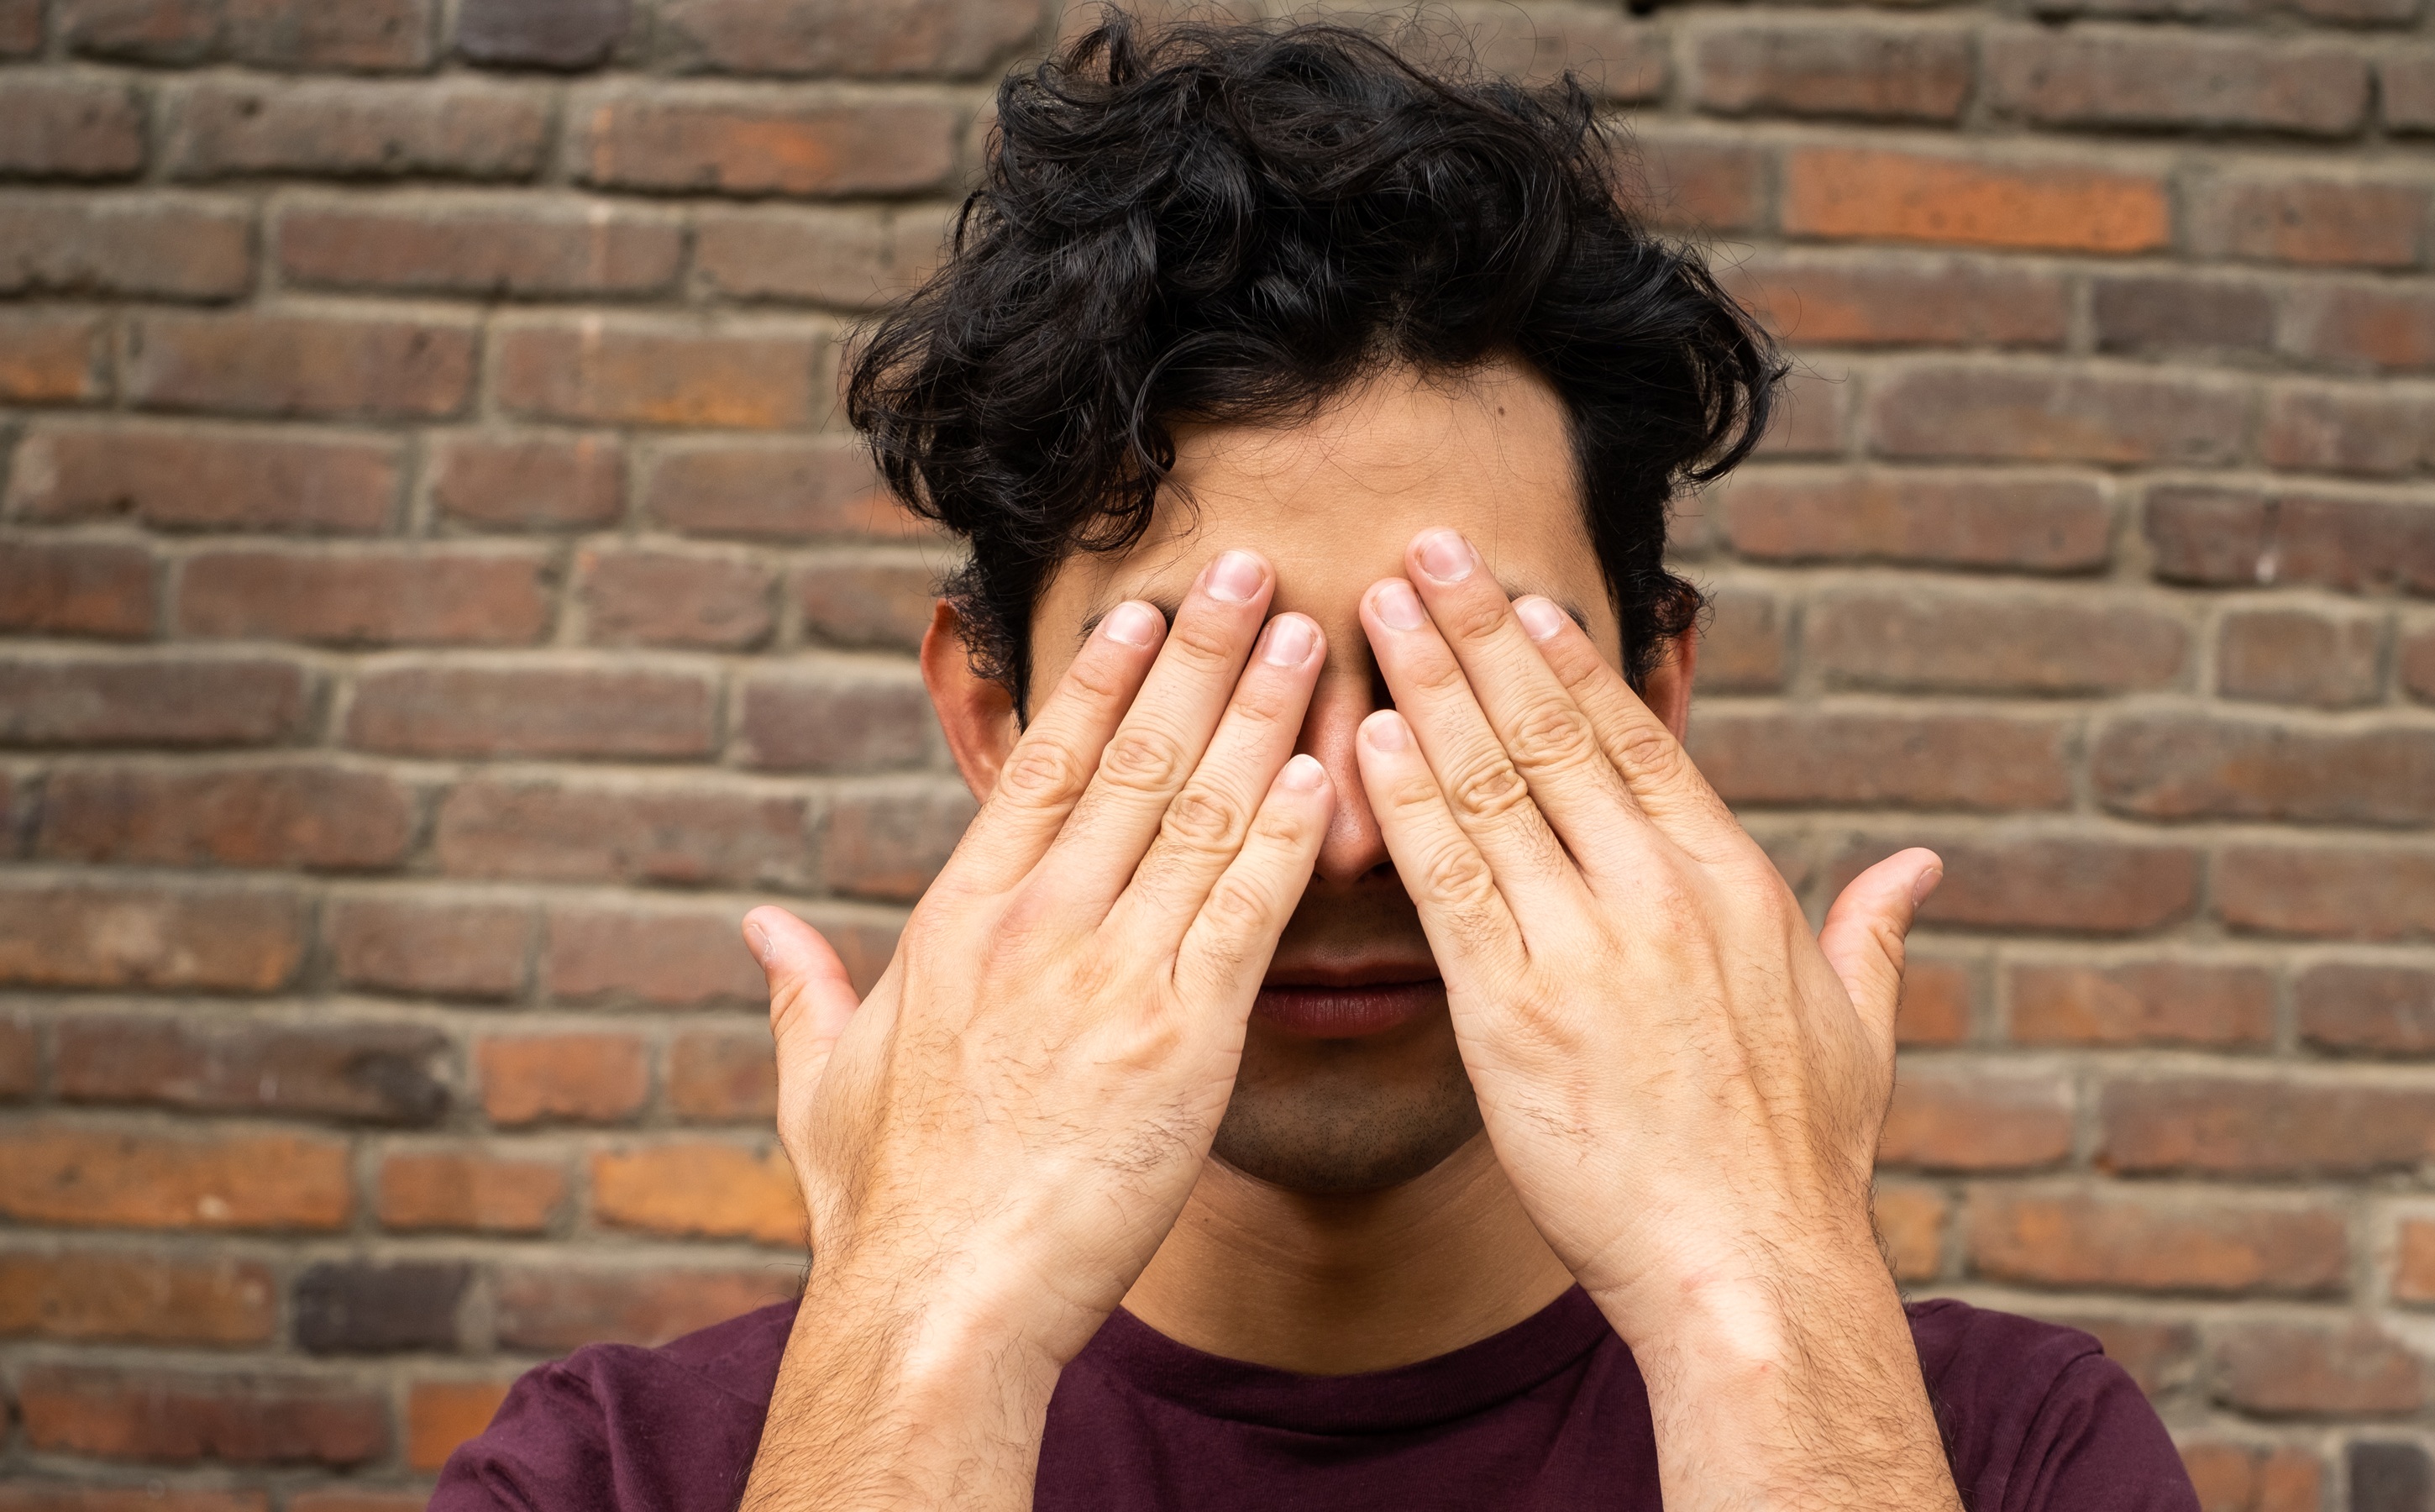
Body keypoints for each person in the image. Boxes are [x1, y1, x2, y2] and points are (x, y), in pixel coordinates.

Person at [432, 16, 2201, 1512]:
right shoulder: (619, 1474)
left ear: (1651, 709)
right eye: (1205, 687)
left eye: (1468, 676)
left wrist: (1765, 1308)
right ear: (994, 722)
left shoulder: (2008, 1458)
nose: (1347, 830)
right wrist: (923, 1335)